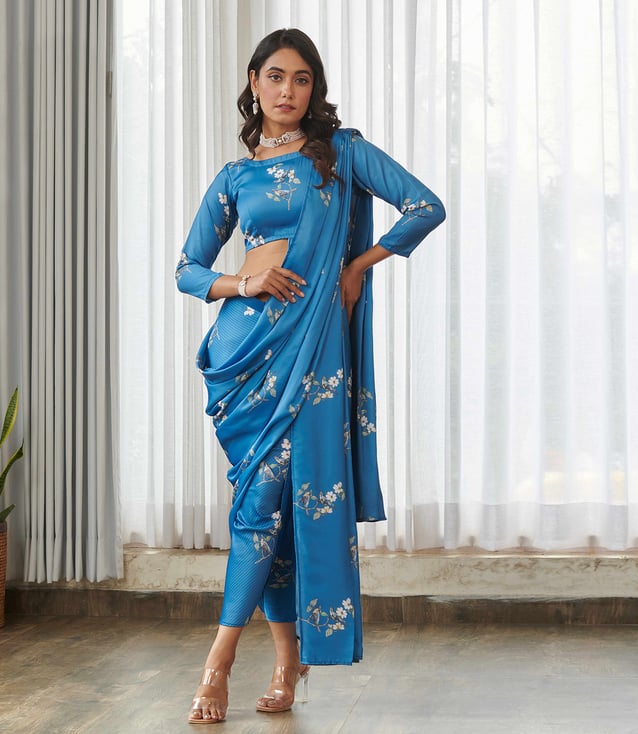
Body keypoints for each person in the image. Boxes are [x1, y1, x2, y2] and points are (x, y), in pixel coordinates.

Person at [176, 28, 446, 724]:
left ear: (314, 89)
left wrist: (358, 266)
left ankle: (218, 662)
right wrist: (242, 283)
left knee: (261, 510)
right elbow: (187, 269)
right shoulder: (235, 177)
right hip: (245, 356)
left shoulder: (341, 154)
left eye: (301, 79)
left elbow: (425, 205)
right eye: (275, 76)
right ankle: (284, 661)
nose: (287, 91)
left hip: (315, 352)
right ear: (254, 82)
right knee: (266, 512)